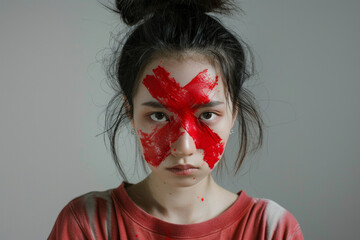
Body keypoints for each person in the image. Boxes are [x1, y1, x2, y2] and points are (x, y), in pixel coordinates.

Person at [48, 0, 304, 239]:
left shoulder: (270, 229)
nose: (184, 147)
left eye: (207, 115)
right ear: (130, 113)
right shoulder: (87, 225)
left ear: (233, 113)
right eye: (159, 116)